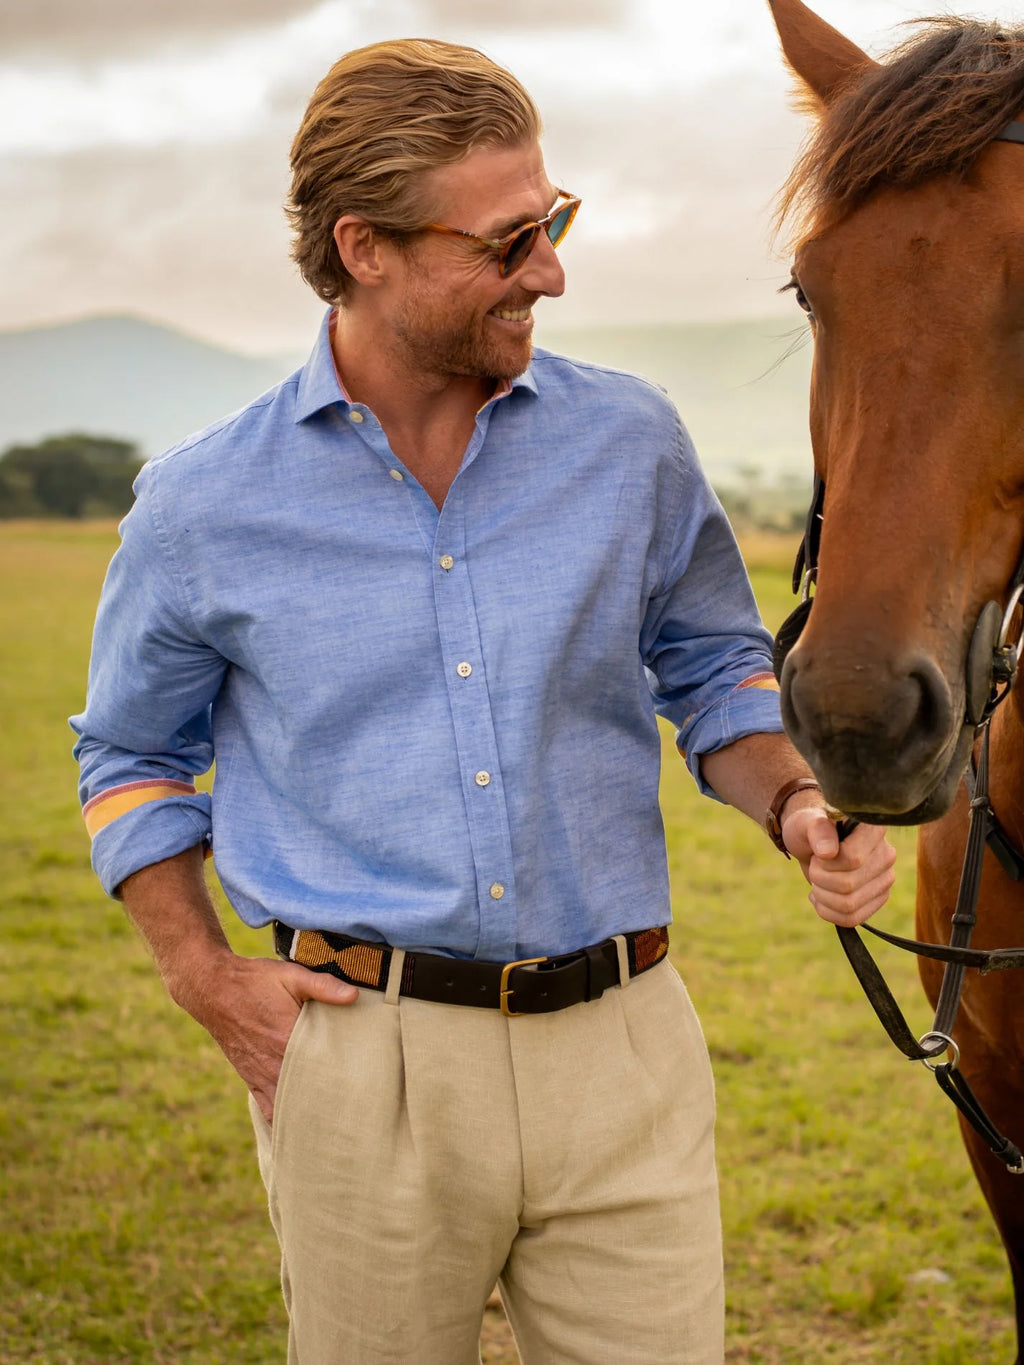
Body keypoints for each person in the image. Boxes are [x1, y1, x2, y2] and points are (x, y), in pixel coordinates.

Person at [71, 38, 896, 1365]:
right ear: (365, 248)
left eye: (553, 221)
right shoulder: (202, 506)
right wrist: (203, 975)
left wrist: (796, 802)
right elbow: (128, 757)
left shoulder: (631, 443)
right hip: (363, 1073)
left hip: (626, 1050)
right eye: (509, 242)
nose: (550, 271)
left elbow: (716, 671)